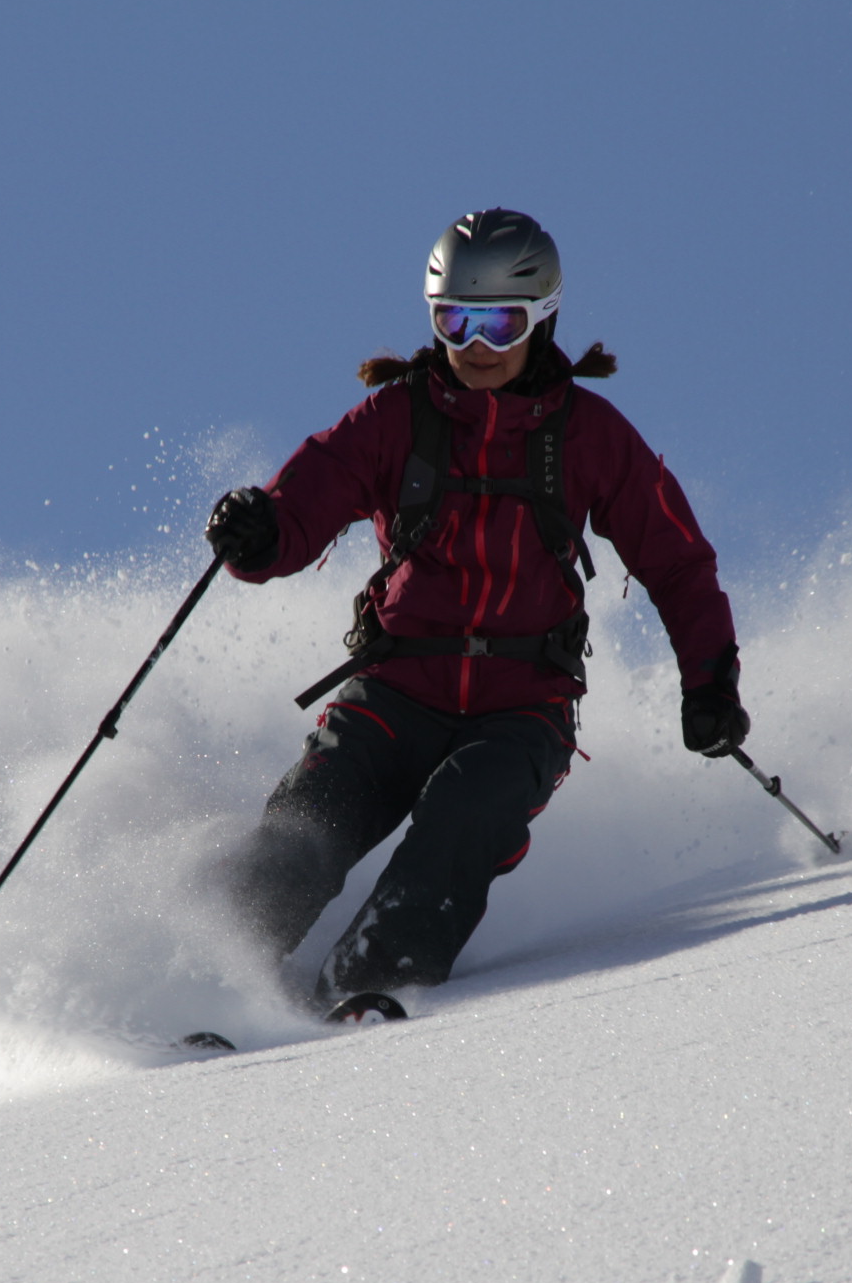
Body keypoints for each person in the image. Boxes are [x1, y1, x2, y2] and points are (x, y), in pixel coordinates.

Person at [203, 209, 748, 1011]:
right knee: (305, 829)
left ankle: (362, 996)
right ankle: (198, 988)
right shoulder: (398, 419)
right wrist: (260, 532)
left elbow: (677, 561)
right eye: (455, 322)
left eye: (500, 323)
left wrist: (709, 683)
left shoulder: (588, 436)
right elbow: (309, 497)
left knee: (464, 819)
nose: (477, 348)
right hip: (394, 692)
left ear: (543, 319)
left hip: (521, 710)